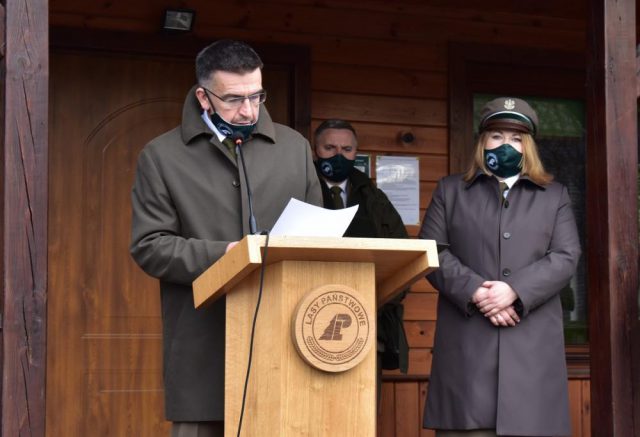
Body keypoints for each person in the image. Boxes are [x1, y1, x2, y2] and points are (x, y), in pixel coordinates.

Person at [129, 40, 322, 437]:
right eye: (234, 99)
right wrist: (227, 255)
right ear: (204, 96)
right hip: (203, 348)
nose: (249, 110)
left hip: (288, 343)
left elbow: (319, 237)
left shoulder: (295, 149)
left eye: (257, 96)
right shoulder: (161, 156)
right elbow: (150, 246)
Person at [419, 97, 581, 437]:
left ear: (529, 146)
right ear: (482, 142)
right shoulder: (450, 191)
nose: (506, 144)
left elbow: (566, 256)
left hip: (532, 360)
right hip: (467, 360)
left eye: (516, 138)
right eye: (497, 135)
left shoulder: (555, 196)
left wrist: (514, 291)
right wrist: (477, 291)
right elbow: (431, 252)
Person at [312, 119, 409, 375]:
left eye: (347, 149)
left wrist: (382, 300)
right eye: (330, 148)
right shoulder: (299, 189)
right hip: (309, 315)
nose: (338, 155)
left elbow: (403, 256)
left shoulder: (374, 198)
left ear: (356, 152)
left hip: (367, 320)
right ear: (315, 150)